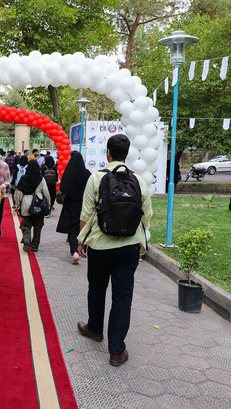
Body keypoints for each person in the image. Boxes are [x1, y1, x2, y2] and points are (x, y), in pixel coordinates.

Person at [76, 134, 152, 367]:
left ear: (107, 153)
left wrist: (81, 242)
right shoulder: (138, 180)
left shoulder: (97, 178)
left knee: (97, 288)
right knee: (122, 297)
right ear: (126, 154)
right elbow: (146, 216)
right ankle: (117, 351)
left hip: (100, 246)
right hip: (129, 247)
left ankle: (95, 329)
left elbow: (86, 214)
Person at [56, 151, 91, 265]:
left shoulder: (68, 172)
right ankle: (81, 246)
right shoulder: (86, 173)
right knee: (81, 227)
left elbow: (63, 188)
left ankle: (74, 252)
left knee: (71, 229)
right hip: (83, 204)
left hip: (70, 204)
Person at [13, 159, 51, 252]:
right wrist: (48, 205)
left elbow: (18, 193)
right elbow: (46, 192)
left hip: (26, 202)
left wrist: (17, 204)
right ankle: (35, 245)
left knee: (26, 223)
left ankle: (26, 237)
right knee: (38, 226)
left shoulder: (23, 179)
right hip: (39, 202)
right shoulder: (41, 178)